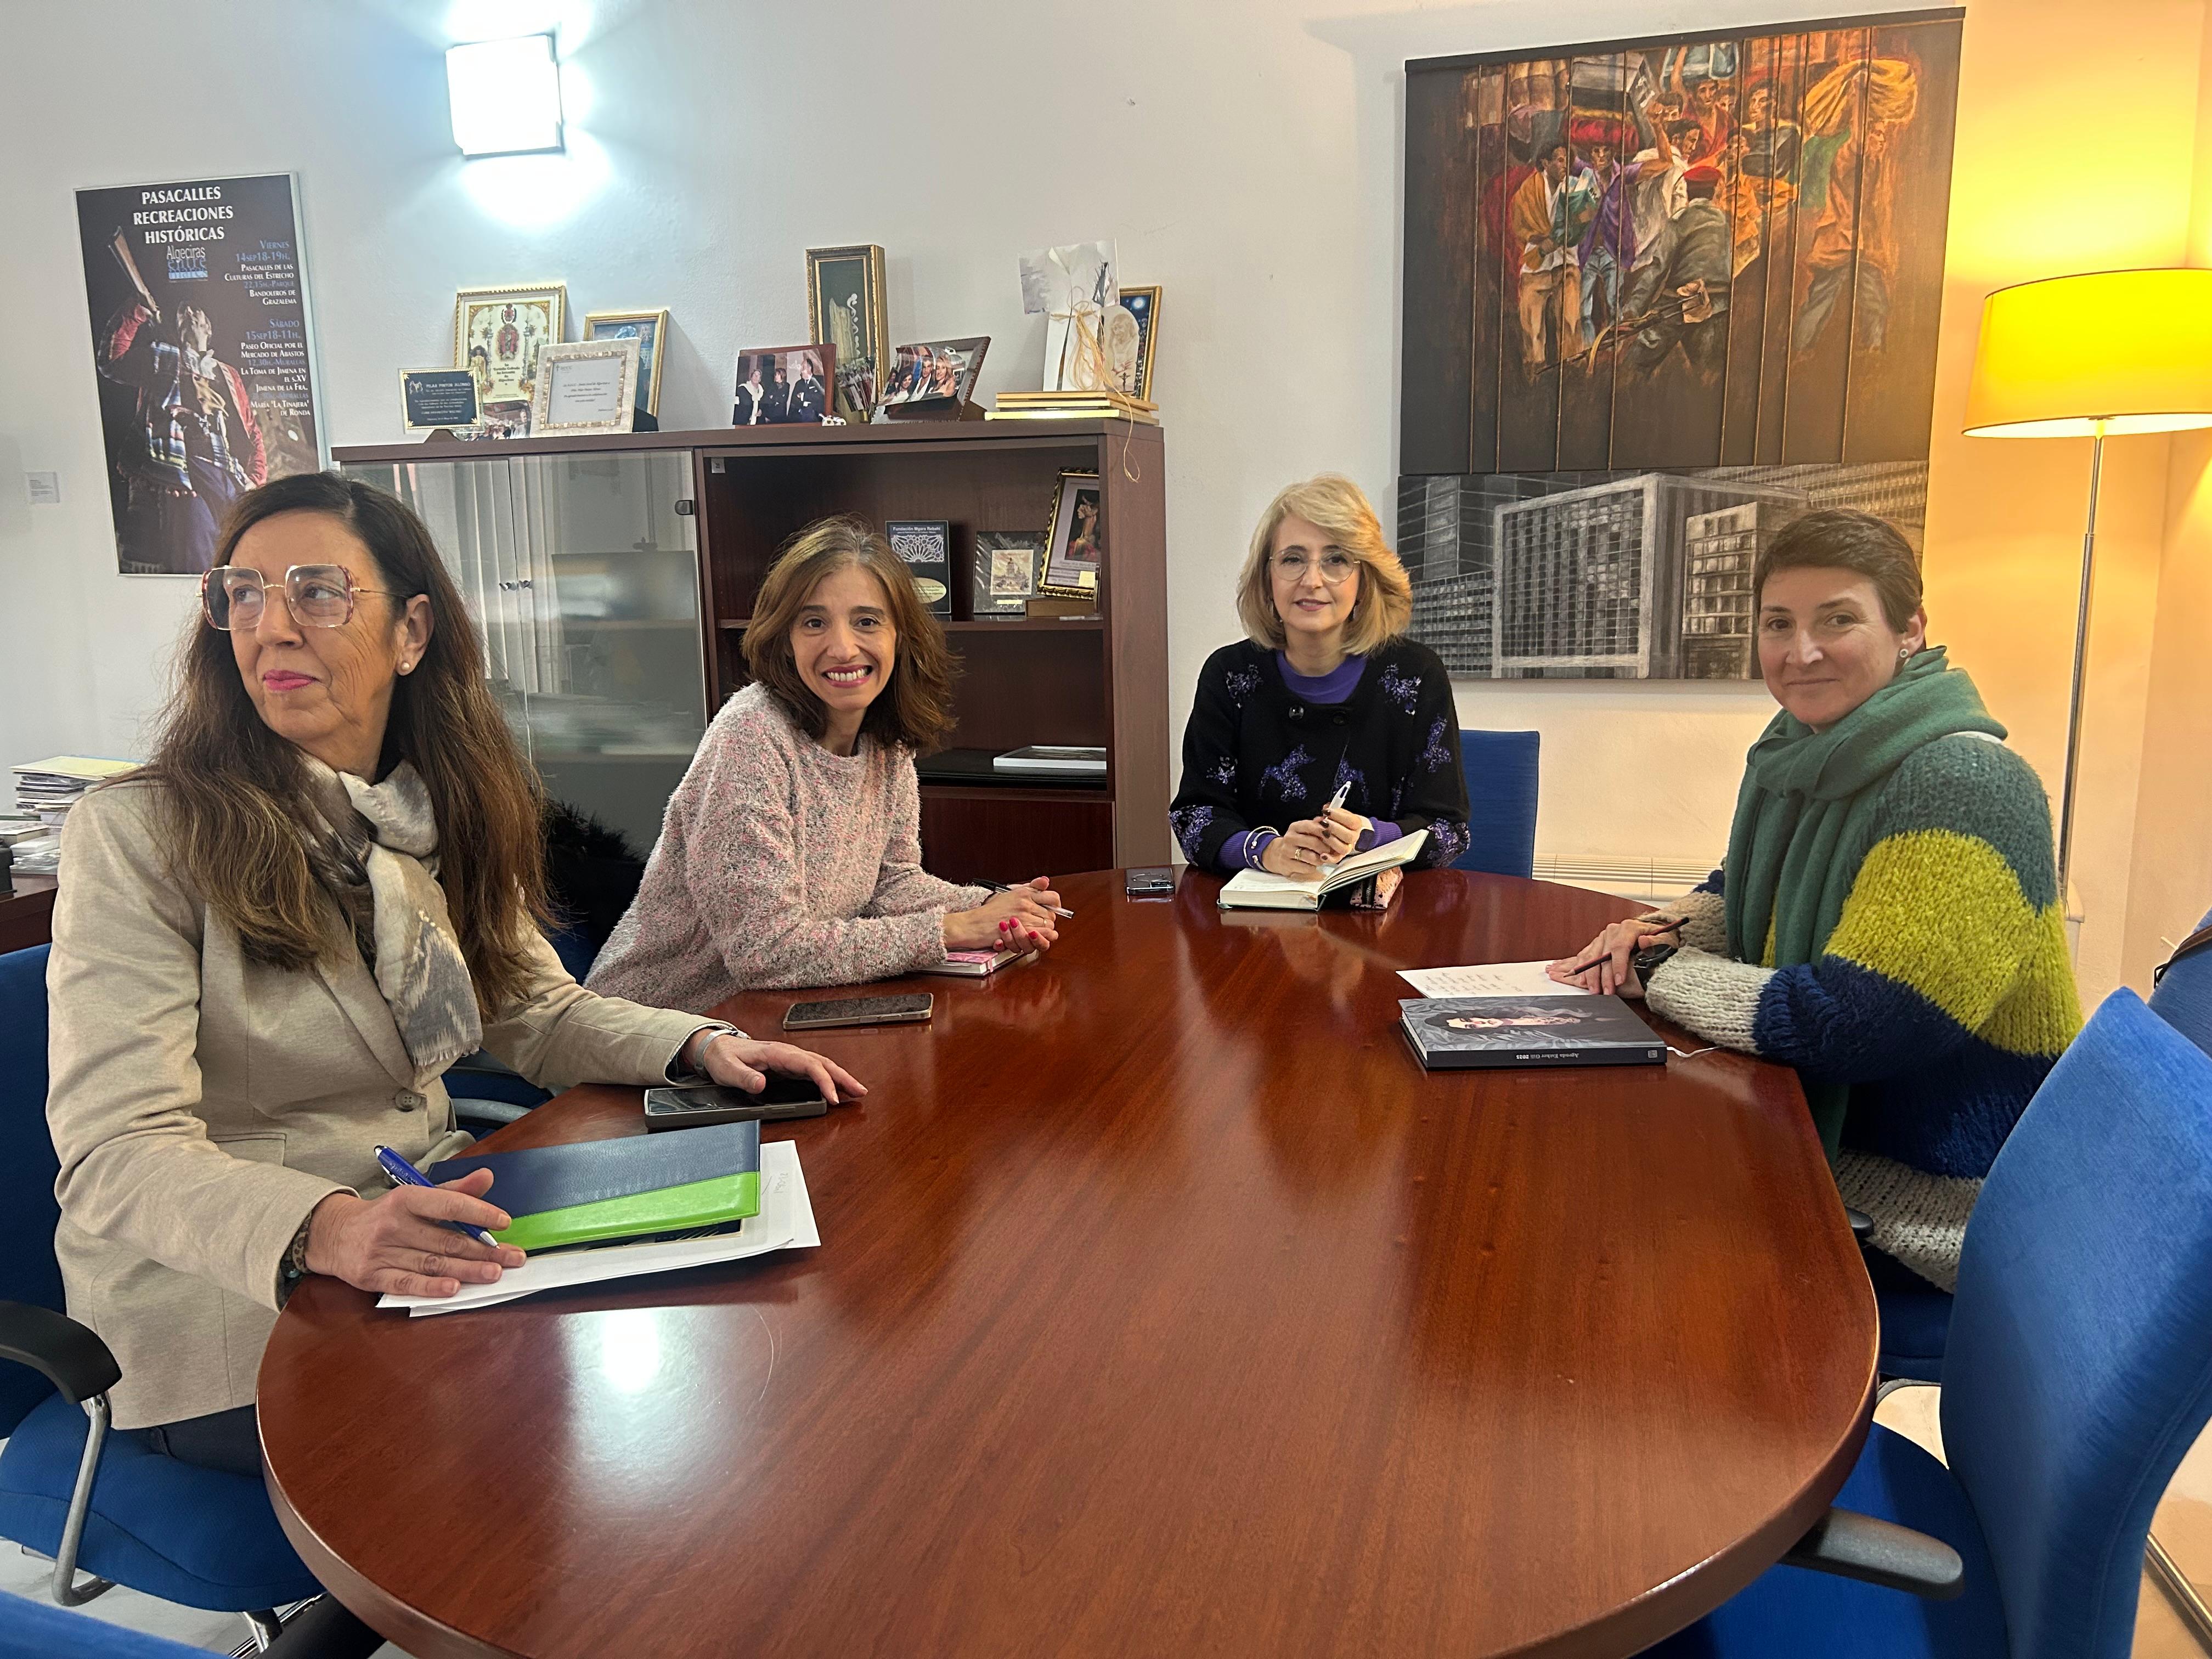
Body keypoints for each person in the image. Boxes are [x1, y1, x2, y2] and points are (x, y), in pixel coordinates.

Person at [46, 473, 861, 1654]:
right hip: (231, 1296)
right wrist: (329, 1226)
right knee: (589, 1473)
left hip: (428, 1222)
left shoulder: (436, 811)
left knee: (715, 1367)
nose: (272, 624)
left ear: (412, 630)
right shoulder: (142, 836)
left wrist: (700, 1042)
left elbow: (533, 1010)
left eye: (318, 590)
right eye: (242, 595)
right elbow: (115, 1152)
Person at [1548, 509, 2080, 1291]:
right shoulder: (1798, 751)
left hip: (1927, 1203)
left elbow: (1860, 1022)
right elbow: (1743, 892)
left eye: (1838, 620)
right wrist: (1654, 929)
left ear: (1909, 631)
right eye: (1778, 624)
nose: (1802, 652)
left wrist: (1661, 972)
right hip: (1810, 1131)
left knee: (1604, 1243)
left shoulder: (1966, 787)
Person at [588, 517, 1062, 1010]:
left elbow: (891, 884)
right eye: (814, 622)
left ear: (901, 635)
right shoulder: (749, 737)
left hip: (778, 1019)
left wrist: (1000, 908)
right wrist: (953, 928)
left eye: (867, 621)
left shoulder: (883, 737)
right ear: (784, 637)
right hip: (664, 1023)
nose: (842, 647)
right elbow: (764, 951)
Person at [1170, 475, 1470, 879]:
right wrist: (1266, 851)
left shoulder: (1416, 676)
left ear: (1364, 581)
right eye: (1293, 559)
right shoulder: (1229, 675)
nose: (1312, 581)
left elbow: (1449, 831)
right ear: (1267, 578)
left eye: (1336, 560)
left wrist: (1372, 836)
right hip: (1255, 921)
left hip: (1384, 921)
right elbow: (1194, 816)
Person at [98, 298, 267, 574]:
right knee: (197, 562)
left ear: (208, 327)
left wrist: (256, 478)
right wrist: (135, 314)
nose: (188, 313)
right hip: (181, 473)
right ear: (177, 327)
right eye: (181, 313)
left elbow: (251, 429)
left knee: (240, 556)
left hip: (230, 476)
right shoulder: (161, 356)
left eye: (195, 310)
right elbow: (112, 361)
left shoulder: (227, 373)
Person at [1509, 138, 1594, 370]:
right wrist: (1542, 240)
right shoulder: (1529, 190)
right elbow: (1519, 225)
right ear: (1545, 163)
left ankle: (1572, 373)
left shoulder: (1577, 187)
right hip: (1537, 266)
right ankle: (1535, 373)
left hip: (1566, 264)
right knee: (1532, 328)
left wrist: (1583, 218)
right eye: (1560, 160)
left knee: (1571, 322)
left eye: (1568, 160)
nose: (1565, 165)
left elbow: (1588, 214)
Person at [734, 357, 770, 424]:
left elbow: (764, 406)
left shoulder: (762, 392)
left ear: (760, 379)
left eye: (758, 375)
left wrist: (761, 411)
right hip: (743, 421)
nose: (756, 377)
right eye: (754, 375)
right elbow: (737, 407)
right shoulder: (742, 389)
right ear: (751, 377)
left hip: (757, 422)